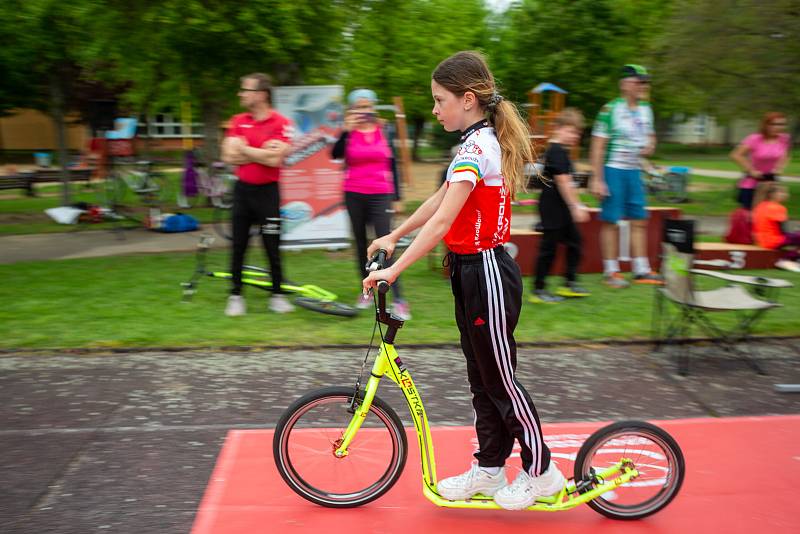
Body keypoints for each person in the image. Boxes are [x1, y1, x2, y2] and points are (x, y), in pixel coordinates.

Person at [362, 51, 564, 511]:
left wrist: (395, 269)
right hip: (470, 273)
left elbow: (441, 224)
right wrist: (394, 235)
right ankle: (491, 469)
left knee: (501, 380)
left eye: (439, 100)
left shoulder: (478, 148)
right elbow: (437, 201)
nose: (434, 110)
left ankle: (541, 471)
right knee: (482, 377)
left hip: (488, 271)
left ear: (467, 99)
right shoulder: (471, 146)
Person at [331, 88, 410, 319]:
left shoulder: (384, 129)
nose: (363, 111)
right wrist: (345, 131)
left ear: (373, 108)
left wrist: (396, 197)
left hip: (380, 194)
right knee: (360, 245)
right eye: (359, 106)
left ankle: (399, 299)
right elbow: (335, 155)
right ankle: (366, 291)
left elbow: (392, 164)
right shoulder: (348, 132)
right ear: (352, 109)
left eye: (367, 106)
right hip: (353, 193)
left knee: (386, 245)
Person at [221, 73, 294, 316]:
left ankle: (278, 295)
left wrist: (244, 149)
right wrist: (258, 153)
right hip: (242, 191)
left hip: (268, 194)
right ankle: (235, 295)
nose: (241, 94)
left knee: (272, 245)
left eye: (246, 90)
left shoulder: (281, 122)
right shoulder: (237, 120)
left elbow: (275, 159)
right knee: (238, 245)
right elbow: (229, 156)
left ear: (261, 94)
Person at [589, 64, 661, 288]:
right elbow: (598, 146)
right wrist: (597, 178)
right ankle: (611, 272)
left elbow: (651, 136)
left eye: (645, 82)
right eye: (638, 82)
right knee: (612, 221)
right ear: (625, 84)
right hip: (614, 169)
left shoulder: (646, 108)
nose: (642, 86)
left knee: (639, 220)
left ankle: (641, 270)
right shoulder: (610, 110)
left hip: (635, 170)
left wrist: (650, 144)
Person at [530, 108, 591, 303]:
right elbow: (563, 182)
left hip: (561, 207)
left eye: (577, 133)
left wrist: (575, 204)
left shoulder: (562, 152)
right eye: (571, 131)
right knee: (549, 249)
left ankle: (568, 284)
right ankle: (538, 291)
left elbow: (570, 183)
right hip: (552, 207)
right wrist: (576, 207)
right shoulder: (555, 151)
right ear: (558, 129)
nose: (575, 136)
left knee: (575, 243)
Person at [730, 112, 791, 210]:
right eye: (774, 124)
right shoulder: (755, 139)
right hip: (752, 183)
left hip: (771, 183)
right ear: (766, 125)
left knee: (770, 216)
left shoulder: (784, 139)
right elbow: (736, 155)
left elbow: (786, 155)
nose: (779, 127)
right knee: (750, 218)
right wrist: (751, 170)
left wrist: (779, 168)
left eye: (782, 124)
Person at [752, 183, 800, 272]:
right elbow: (783, 230)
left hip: (761, 241)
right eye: (782, 192)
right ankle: (787, 259)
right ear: (772, 195)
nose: (785, 194)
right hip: (774, 240)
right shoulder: (778, 208)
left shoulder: (761, 205)